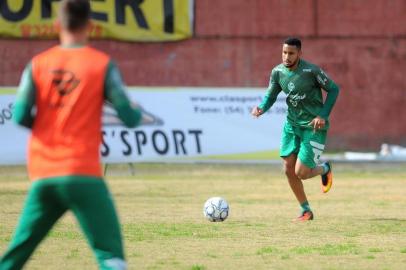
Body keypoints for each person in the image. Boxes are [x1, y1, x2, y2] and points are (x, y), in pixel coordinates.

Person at [0, 0, 141, 269]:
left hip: (44, 175)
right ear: (91, 26)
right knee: (110, 256)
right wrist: (131, 109)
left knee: (16, 255)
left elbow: (19, 115)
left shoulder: (37, 65)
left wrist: (46, 128)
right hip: (83, 174)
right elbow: (130, 118)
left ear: (57, 25)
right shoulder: (101, 65)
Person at [252, 37, 340, 221]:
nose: (287, 56)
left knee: (302, 173)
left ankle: (324, 168)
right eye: (284, 52)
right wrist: (261, 107)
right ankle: (306, 210)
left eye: (291, 53)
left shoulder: (311, 71)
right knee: (288, 169)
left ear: (300, 53)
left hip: (313, 128)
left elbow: (333, 89)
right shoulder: (277, 72)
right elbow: (271, 95)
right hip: (291, 126)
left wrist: (322, 115)